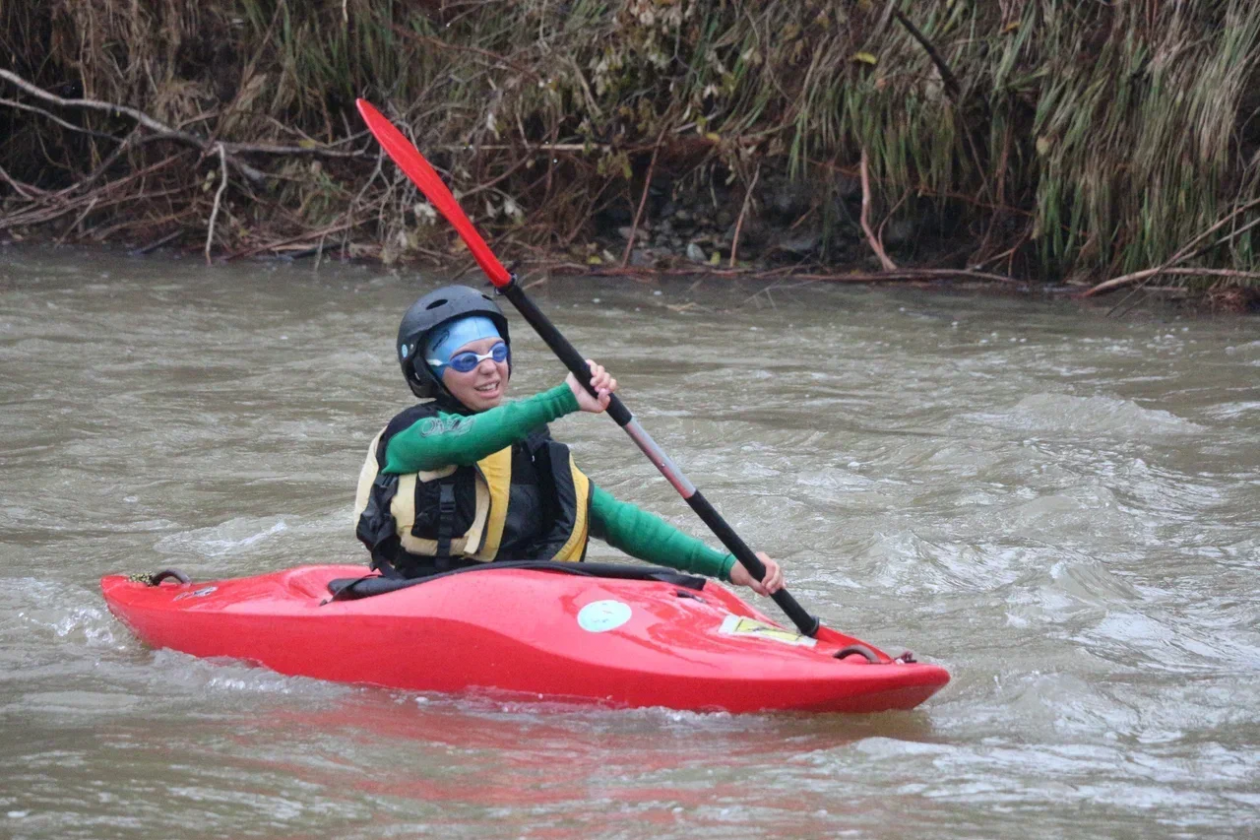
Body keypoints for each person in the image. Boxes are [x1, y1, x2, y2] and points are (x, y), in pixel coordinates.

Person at [354, 285, 784, 595]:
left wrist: (730, 567)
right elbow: (464, 442)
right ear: (428, 373)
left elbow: (620, 523)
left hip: (527, 601)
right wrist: (566, 398)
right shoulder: (413, 435)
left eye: (497, 353)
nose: (488, 369)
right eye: (467, 360)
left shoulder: (532, 446)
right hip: (422, 593)